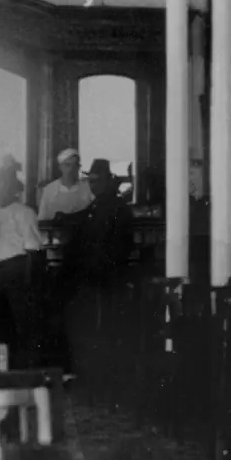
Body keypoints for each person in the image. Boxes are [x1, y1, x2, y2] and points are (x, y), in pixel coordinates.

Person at [64, 159, 137, 383]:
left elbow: (116, 246)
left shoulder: (113, 207)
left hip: (105, 276)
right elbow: (84, 217)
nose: (93, 186)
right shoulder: (102, 204)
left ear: (107, 181)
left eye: (97, 181)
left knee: (94, 320)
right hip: (100, 274)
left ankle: (96, 372)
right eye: (91, 181)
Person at [0, 168, 45, 366]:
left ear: (14, 190)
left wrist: (30, 282)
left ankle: (23, 365)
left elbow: (34, 249)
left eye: (3, 186)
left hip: (19, 269)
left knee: (21, 321)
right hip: (0, 270)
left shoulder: (25, 212)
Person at [37, 149, 94, 223]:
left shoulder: (88, 189)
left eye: (75, 165)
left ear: (79, 167)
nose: (71, 169)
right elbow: (42, 218)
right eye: (67, 165)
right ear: (60, 167)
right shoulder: (49, 189)